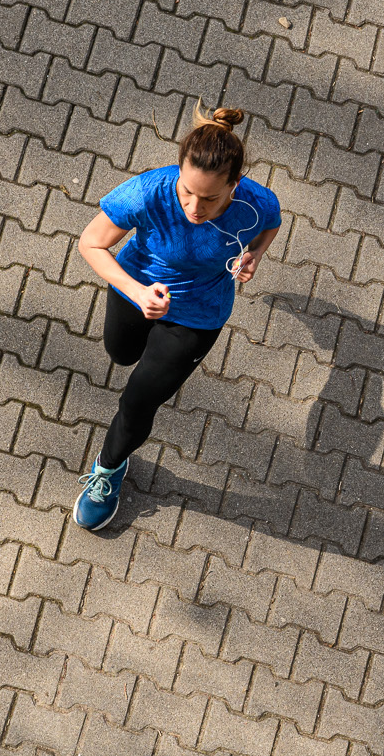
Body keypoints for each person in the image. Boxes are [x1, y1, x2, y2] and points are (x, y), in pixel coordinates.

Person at [72, 107, 282, 530]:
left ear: (234, 186)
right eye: (187, 192)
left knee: (138, 400)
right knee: (121, 353)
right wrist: (136, 292)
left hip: (200, 313)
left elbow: (270, 226)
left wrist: (254, 255)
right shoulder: (149, 191)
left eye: (210, 198)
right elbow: (91, 243)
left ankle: (109, 469)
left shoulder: (256, 204)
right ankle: (136, 332)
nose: (193, 206)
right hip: (137, 290)